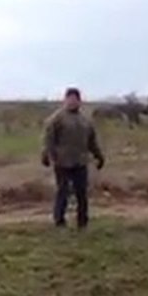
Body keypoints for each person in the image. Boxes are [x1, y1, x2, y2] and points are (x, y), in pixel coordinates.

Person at [41, 88, 105, 228]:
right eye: (69, 99)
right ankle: (59, 221)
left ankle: (83, 221)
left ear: (79, 101)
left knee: (81, 193)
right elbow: (48, 140)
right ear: (65, 100)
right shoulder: (56, 119)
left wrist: (99, 156)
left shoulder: (85, 121)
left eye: (75, 99)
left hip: (80, 161)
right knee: (62, 192)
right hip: (62, 162)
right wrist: (46, 155)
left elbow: (92, 142)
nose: (72, 102)